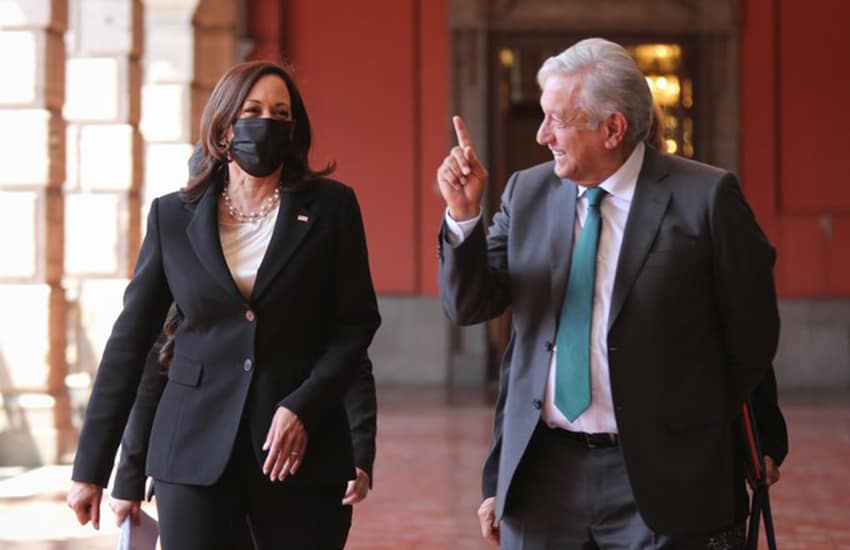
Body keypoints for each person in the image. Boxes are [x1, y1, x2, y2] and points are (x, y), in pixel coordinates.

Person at [436, 38, 781, 548]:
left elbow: (751, 333)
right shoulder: (525, 193)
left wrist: (688, 423)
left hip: (663, 477)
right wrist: (464, 215)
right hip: (543, 475)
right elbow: (470, 305)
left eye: (557, 119)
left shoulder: (705, 199)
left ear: (613, 128)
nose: (541, 134)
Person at [67, 60, 381, 549]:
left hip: (299, 452)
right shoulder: (172, 216)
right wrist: (92, 468)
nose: (266, 122)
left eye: (281, 113)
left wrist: (304, 405)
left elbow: (356, 325)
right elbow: (132, 342)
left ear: (295, 128)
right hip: (191, 450)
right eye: (252, 110)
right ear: (223, 125)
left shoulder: (331, 207)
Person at [107, 305, 377, 533]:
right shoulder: (187, 251)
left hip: (290, 466)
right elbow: (152, 370)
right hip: (194, 459)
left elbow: (349, 356)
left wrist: (360, 451)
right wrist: (129, 477)